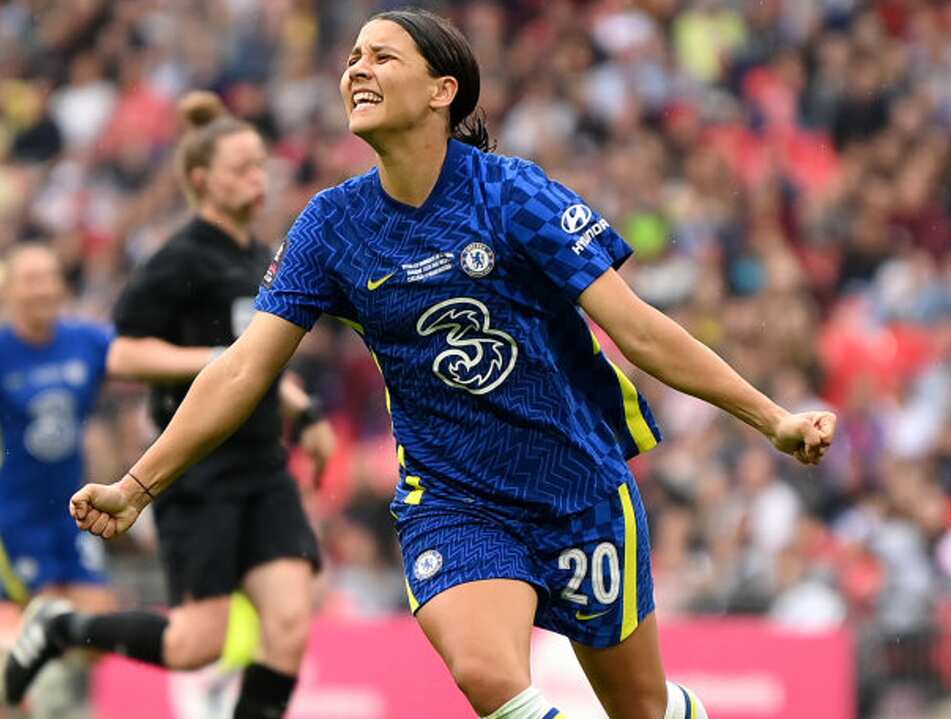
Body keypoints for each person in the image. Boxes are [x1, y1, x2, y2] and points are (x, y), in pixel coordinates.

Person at [70, 9, 836, 719]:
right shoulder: (331, 224)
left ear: (443, 90)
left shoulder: (512, 195)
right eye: (352, 57)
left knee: (641, 709)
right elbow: (243, 370)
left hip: (578, 487)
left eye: (382, 56)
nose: (356, 70)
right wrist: (138, 485)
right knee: (486, 673)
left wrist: (773, 418)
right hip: (453, 497)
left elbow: (639, 331)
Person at [1, 92, 335, 719]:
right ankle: (61, 628)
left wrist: (303, 410)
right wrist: (211, 360)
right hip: (197, 469)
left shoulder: (257, 257)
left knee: (290, 626)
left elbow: (257, 359)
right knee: (194, 645)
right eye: (242, 168)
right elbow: (121, 355)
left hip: (263, 466)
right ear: (202, 180)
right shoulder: (178, 258)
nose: (257, 179)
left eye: (261, 165)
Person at [0, 242, 218, 711]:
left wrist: (223, 360)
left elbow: (138, 357)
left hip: (70, 512)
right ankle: (18, 673)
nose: (41, 289)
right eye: (29, 279)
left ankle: (23, 672)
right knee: (43, 607)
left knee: (96, 631)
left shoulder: (83, 342)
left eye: (48, 277)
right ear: (10, 291)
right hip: (11, 514)